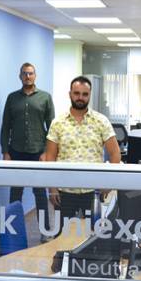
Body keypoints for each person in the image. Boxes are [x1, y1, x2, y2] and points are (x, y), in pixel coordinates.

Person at [44, 75, 121, 221]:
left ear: (89, 95)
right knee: (64, 237)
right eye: (77, 93)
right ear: (70, 94)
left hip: (93, 191)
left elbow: (115, 153)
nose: (80, 97)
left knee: (92, 237)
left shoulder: (101, 121)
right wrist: (52, 188)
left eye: (85, 94)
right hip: (64, 191)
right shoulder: (58, 123)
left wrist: (109, 183)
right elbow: (50, 158)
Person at [0, 62, 54, 221]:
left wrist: (46, 152)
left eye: (30, 73)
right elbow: (5, 127)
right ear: (20, 76)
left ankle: (45, 230)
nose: (27, 76)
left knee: (40, 193)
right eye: (24, 73)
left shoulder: (45, 97)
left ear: (35, 76)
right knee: (15, 193)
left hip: (37, 152)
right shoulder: (12, 98)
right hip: (16, 151)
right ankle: (13, 228)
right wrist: (5, 151)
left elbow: (51, 128)